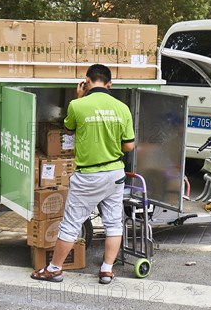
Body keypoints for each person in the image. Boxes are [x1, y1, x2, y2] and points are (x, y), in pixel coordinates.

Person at [31, 64, 135, 284]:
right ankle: (107, 270)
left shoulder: (77, 105)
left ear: (86, 82)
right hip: (115, 173)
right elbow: (129, 146)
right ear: (110, 84)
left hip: (88, 176)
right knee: (114, 223)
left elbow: (68, 130)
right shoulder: (122, 108)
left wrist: (78, 97)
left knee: (71, 223)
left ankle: (54, 269)